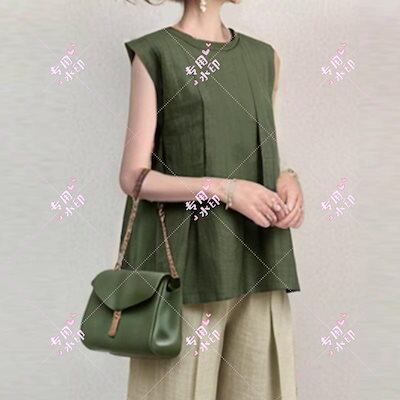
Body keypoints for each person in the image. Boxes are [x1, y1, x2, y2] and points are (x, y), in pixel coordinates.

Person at [119, 0, 304, 399]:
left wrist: (288, 179)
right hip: (185, 267)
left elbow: (266, 147)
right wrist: (225, 190)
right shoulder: (155, 54)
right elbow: (134, 176)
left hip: (259, 258)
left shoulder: (264, 57)